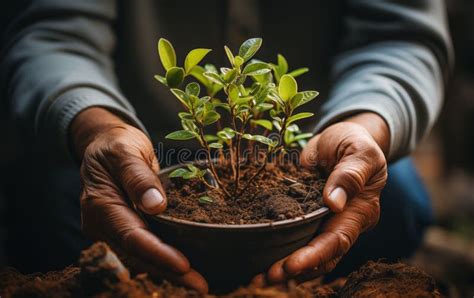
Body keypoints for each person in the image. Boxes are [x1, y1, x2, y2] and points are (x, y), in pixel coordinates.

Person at [0, 0, 452, 293]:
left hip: (316, 150)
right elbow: (51, 33)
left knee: (399, 199)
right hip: (130, 146)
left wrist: (365, 124)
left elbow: (401, 37)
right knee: (48, 203)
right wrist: (96, 128)